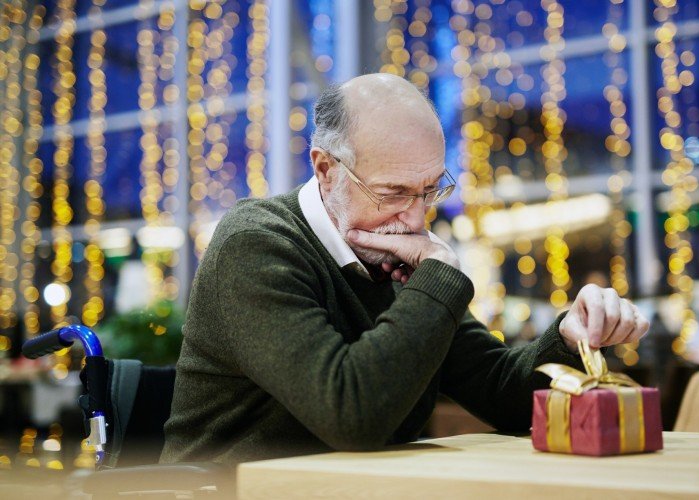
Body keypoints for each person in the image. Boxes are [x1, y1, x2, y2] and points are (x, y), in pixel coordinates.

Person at [160, 74, 649, 464]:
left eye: (430, 190)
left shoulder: (393, 258)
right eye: (393, 193)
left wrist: (568, 337)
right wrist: (439, 278)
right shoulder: (256, 244)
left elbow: (501, 395)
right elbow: (352, 413)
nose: (415, 219)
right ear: (326, 170)